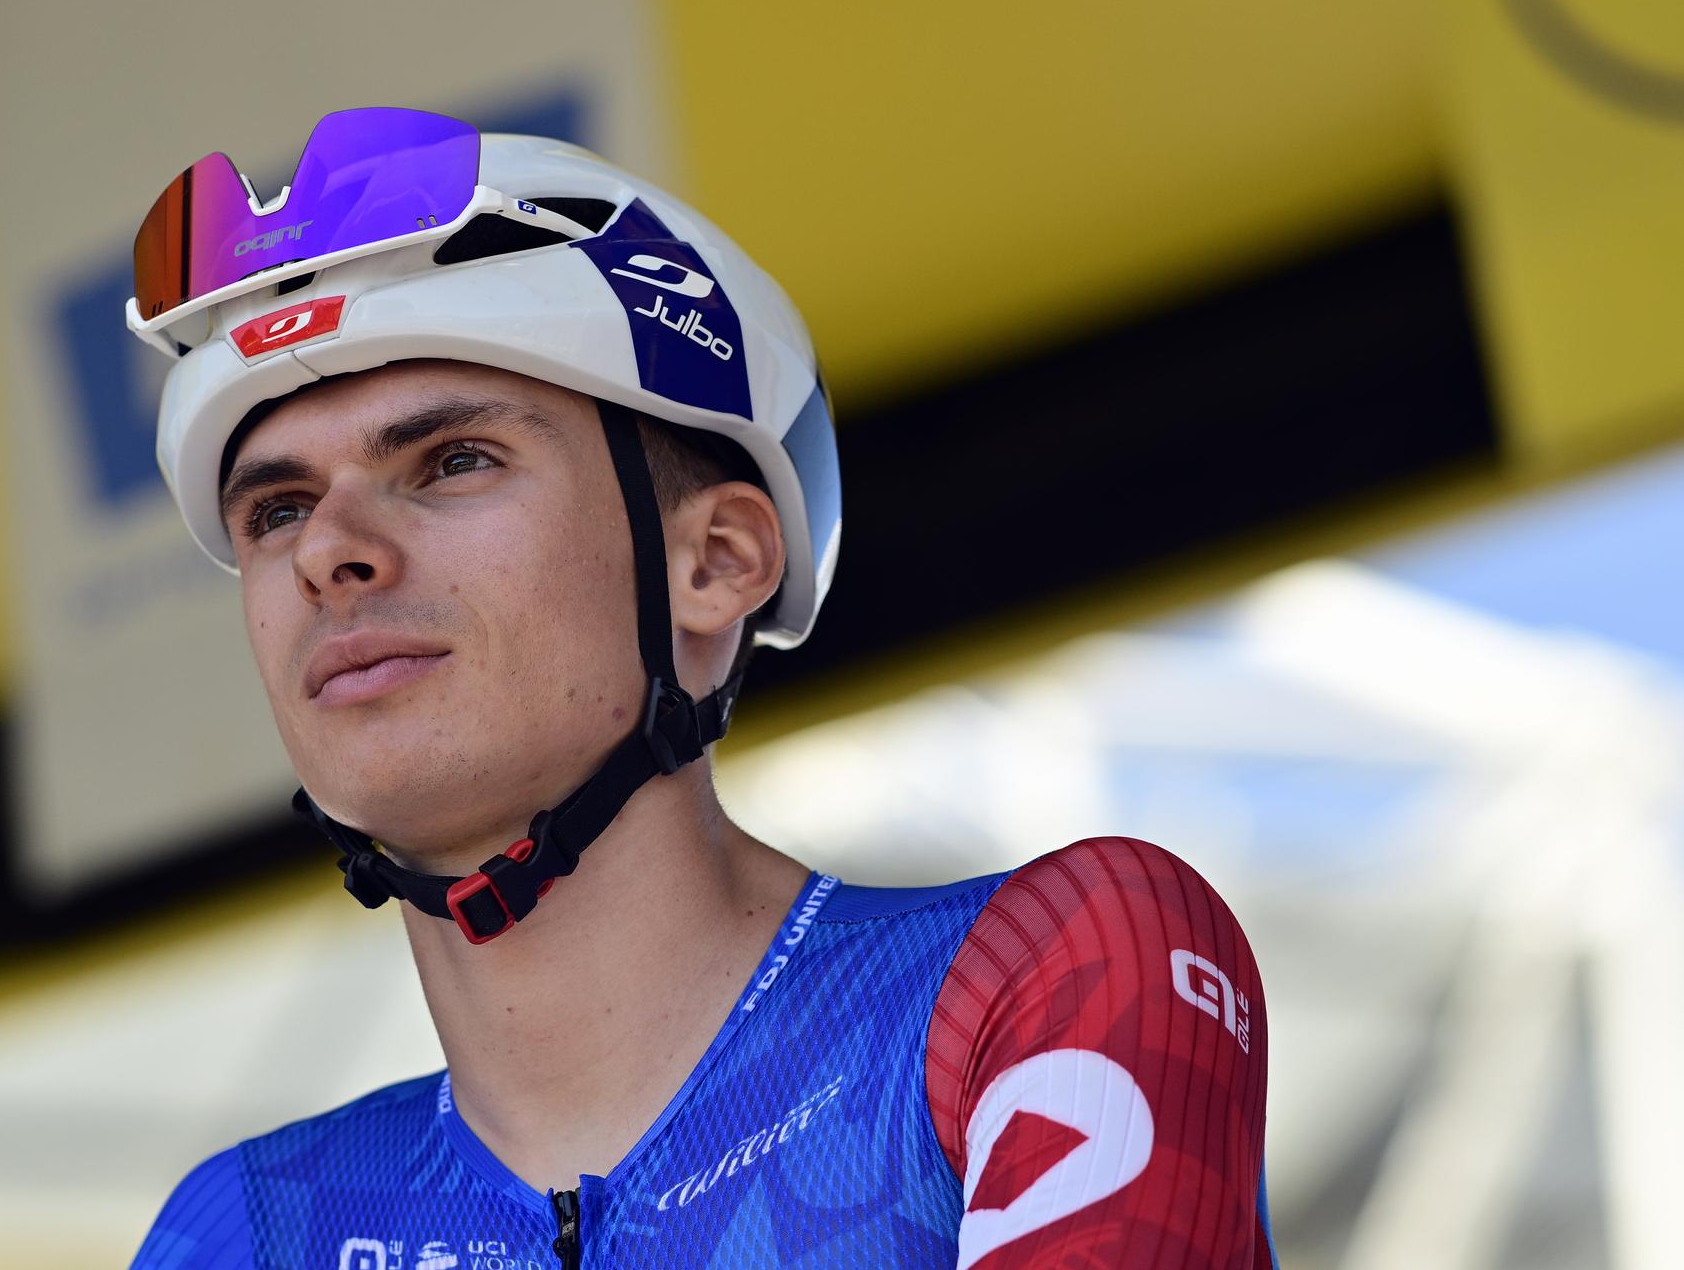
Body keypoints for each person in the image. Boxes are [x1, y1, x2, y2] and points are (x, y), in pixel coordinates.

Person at [123, 107, 1276, 1270]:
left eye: (454, 461)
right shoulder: (243, 1230)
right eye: (277, 510)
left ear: (714, 563)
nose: (330, 551)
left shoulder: (1039, 968)